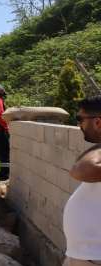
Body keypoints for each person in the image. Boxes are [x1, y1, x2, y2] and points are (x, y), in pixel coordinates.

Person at [63, 96, 101, 266]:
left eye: (80, 119)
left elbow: (80, 170)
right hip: (85, 254)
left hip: (93, 255)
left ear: (98, 122)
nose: (79, 125)